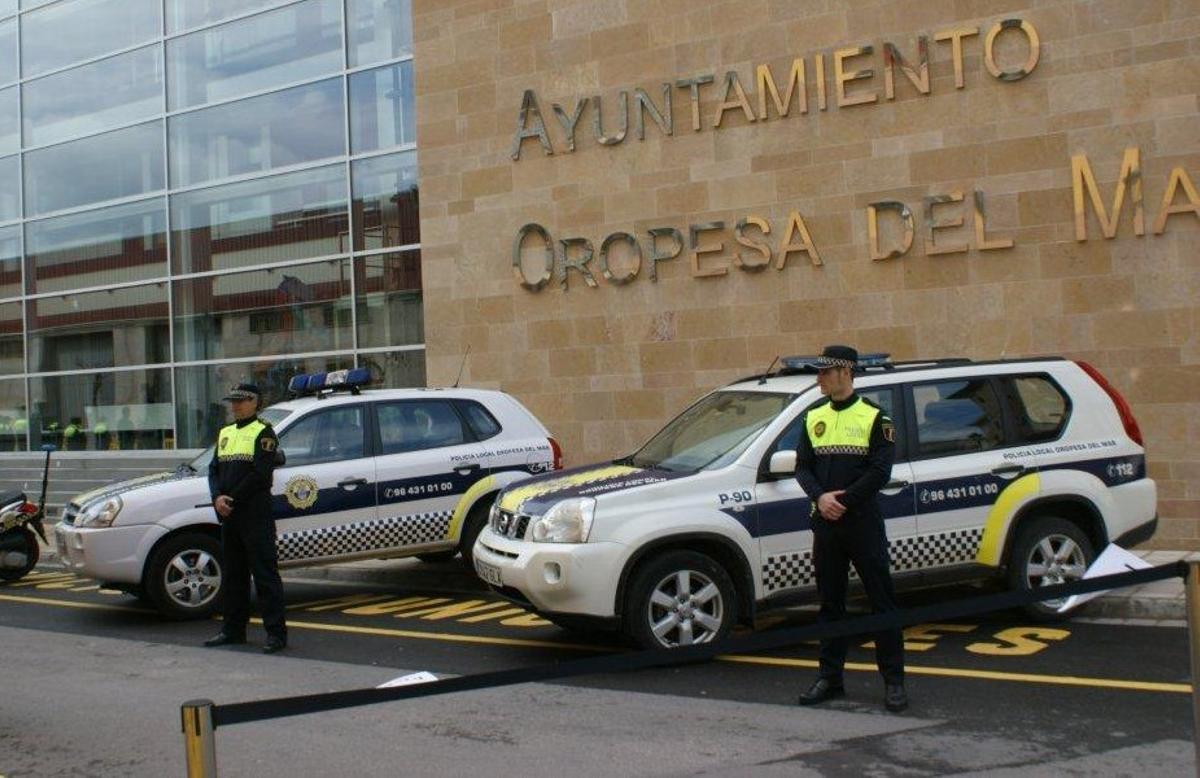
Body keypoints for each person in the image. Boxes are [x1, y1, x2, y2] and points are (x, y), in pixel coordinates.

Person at [795, 345, 907, 712]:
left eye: (825, 372)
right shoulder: (813, 416)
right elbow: (802, 468)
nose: (819, 379)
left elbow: (880, 471)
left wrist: (843, 501)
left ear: (845, 372)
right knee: (830, 604)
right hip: (826, 526)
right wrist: (821, 498)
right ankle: (830, 677)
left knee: (881, 602)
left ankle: (893, 682)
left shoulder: (875, 417)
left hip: (862, 523)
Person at [204, 382, 288, 654]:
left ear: (255, 402)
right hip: (229, 515)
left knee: (265, 575)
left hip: (254, 514)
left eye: (241, 401)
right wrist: (217, 496)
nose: (236, 406)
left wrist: (231, 500)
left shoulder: (264, 432)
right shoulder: (225, 432)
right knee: (234, 576)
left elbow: (260, 475)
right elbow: (213, 470)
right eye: (233, 401)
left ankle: (276, 635)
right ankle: (233, 630)